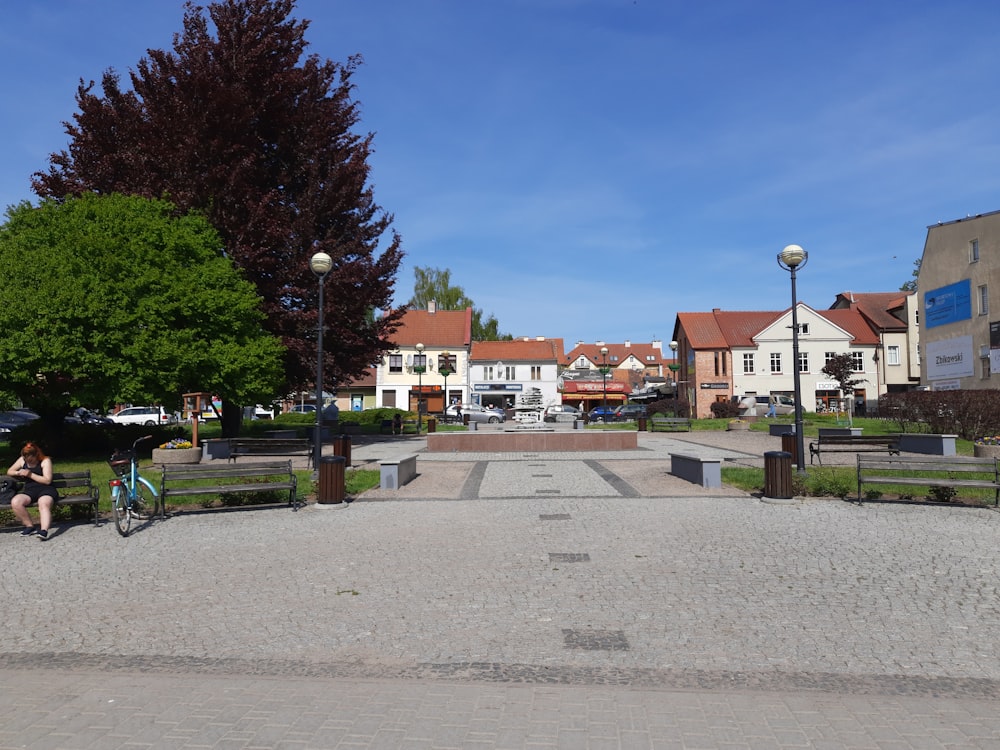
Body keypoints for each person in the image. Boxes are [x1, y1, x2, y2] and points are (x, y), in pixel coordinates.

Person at [8, 441, 59, 541]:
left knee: (43, 503)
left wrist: (30, 475)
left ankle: (44, 530)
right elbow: (10, 471)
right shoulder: (22, 460)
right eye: (26, 459)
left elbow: (47, 480)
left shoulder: (45, 461)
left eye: (31, 460)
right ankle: (29, 526)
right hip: (30, 490)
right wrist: (19, 472)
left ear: (36, 455)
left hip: (46, 489)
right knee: (16, 502)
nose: (29, 462)